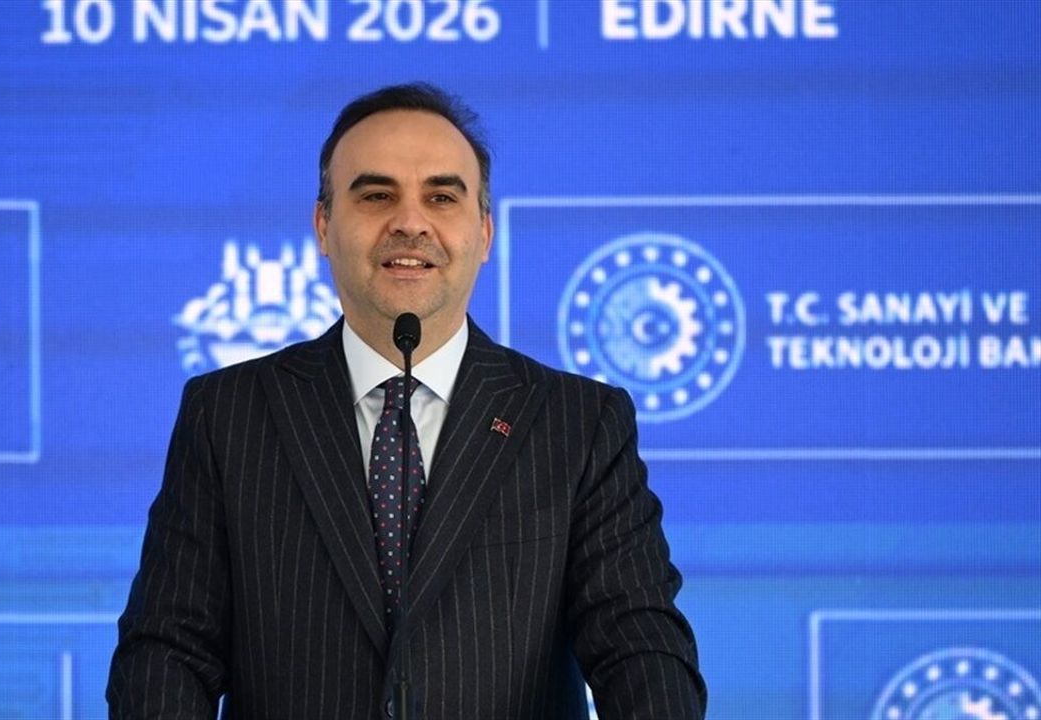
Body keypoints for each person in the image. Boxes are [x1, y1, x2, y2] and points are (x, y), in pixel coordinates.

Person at [108, 83, 706, 719]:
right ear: (323, 226)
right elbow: (168, 651)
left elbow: (640, 646)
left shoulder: (579, 424)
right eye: (376, 196)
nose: (411, 222)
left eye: (442, 197)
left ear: (484, 233)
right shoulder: (228, 414)